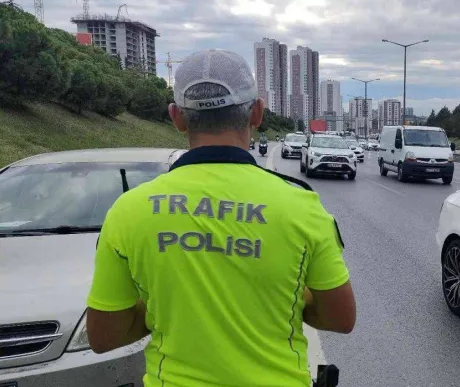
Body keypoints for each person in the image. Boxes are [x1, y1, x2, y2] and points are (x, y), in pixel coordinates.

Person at [85, 49, 356, 387]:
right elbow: (341, 318)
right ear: (257, 112)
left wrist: (165, 304)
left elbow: (103, 336)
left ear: (177, 118)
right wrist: (284, 298)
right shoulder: (302, 206)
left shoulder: (128, 211)